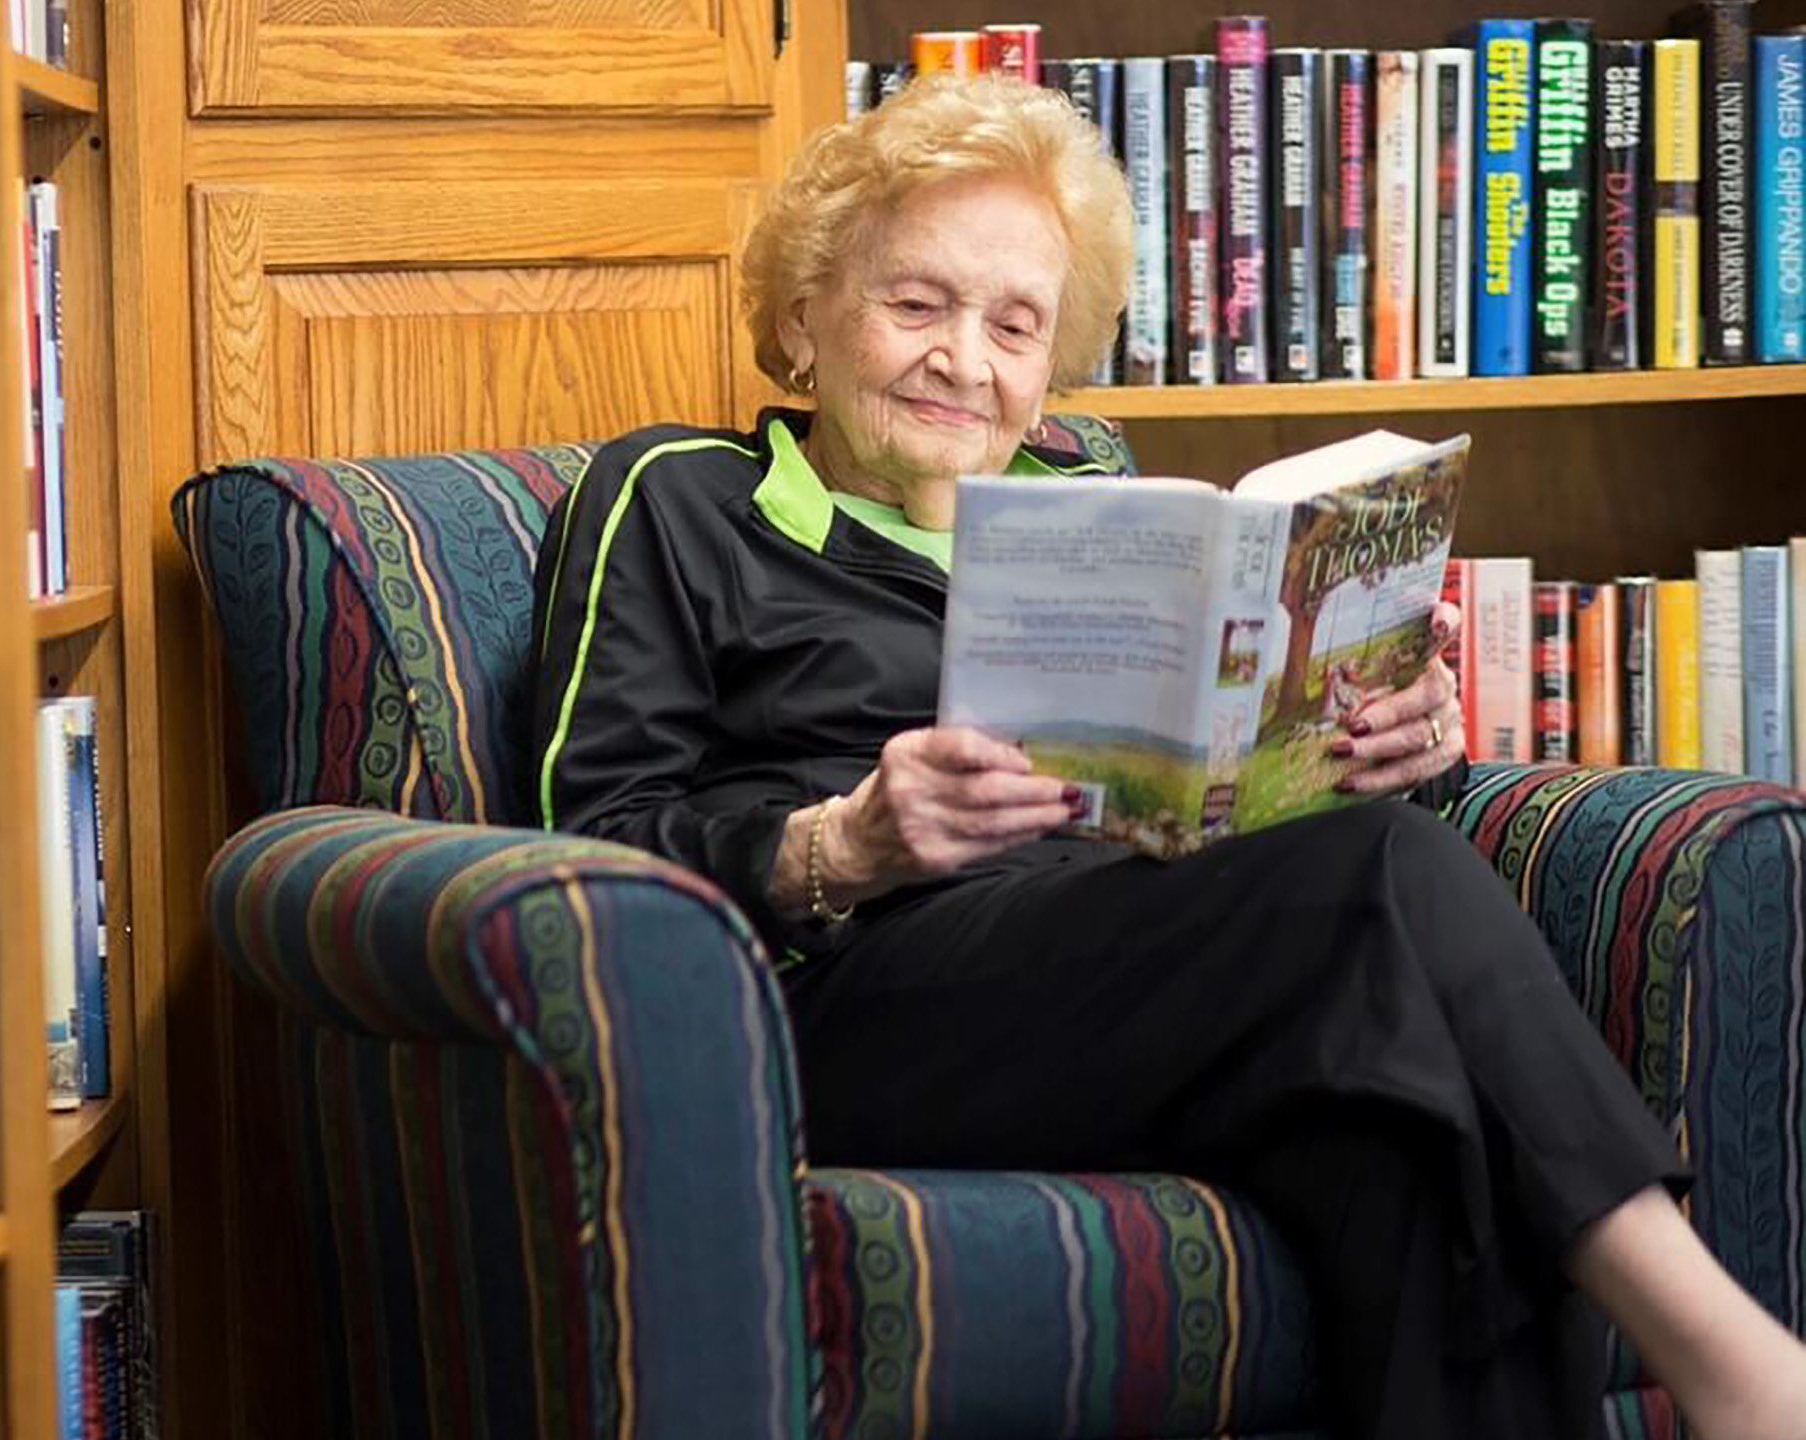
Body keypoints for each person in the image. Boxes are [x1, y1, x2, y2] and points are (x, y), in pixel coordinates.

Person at [524, 71, 1806, 1440]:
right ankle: (1740, 1369)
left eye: (1017, 325)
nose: (968, 359)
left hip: (1145, 970)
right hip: (851, 1001)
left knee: (1415, 1147)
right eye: (917, 304)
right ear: (803, 314)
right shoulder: (680, 502)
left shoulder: (1116, 520)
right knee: (1388, 869)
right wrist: (839, 842)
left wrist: (1393, 742)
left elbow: (1235, 798)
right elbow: (584, 841)